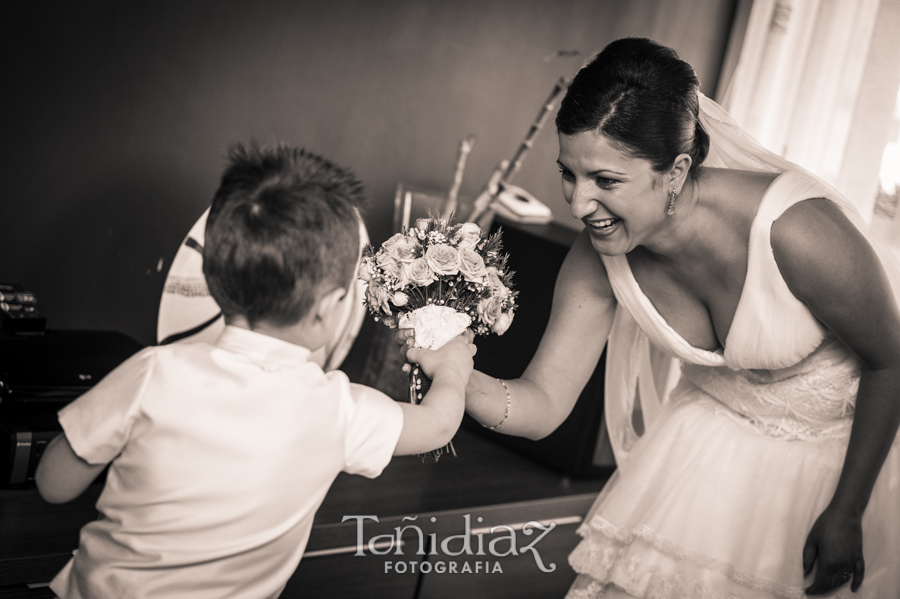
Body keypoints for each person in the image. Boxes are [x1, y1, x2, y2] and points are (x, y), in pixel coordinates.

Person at [401, 38, 900, 597]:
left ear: (677, 170)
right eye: (569, 173)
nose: (577, 204)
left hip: (843, 463)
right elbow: (542, 404)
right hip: (708, 452)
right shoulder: (596, 258)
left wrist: (848, 508)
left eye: (606, 181)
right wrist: (456, 375)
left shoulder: (798, 231)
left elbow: (891, 362)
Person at [34, 142, 477, 599]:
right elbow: (439, 424)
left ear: (211, 276)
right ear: (328, 310)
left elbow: (53, 485)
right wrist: (452, 365)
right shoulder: (339, 411)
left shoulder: (154, 372)